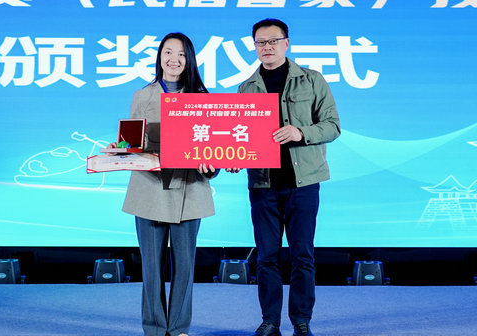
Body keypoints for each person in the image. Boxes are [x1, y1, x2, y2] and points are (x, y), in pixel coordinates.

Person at [230, 18, 340, 336]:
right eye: (260, 42)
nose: (267, 47)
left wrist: (300, 132)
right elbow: (240, 136)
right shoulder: (246, 88)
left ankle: (301, 321)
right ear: (254, 46)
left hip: (303, 183)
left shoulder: (312, 80)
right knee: (266, 257)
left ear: (286, 43)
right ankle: (270, 321)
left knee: (303, 255)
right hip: (263, 185)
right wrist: (234, 157)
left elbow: (333, 126)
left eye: (273, 41)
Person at [111, 32, 217, 336]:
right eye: (168, 52)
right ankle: (155, 329)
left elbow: (213, 150)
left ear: (189, 60)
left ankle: (179, 328)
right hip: (149, 189)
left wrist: (212, 166)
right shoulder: (143, 95)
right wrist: (120, 148)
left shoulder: (203, 99)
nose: (174, 59)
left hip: (189, 189)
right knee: (151, 268)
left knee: (185, 267)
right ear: (159, 57)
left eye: (181, 54)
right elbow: (131, 141)